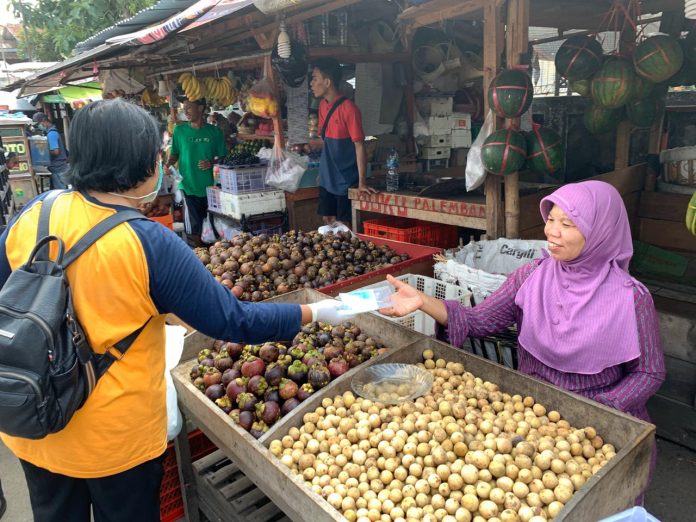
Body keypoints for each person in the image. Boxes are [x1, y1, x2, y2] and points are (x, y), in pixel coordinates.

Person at [0, 99, 349, 522]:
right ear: (142, 164)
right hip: (116, 441)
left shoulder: (36, 213)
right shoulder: (147, 242)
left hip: (35, 420)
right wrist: (312, 314)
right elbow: (232, 320)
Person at [382, 180, 666, 422]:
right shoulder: (531, 275)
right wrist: (423, 300)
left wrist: (603, 408)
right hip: (529, 410)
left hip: (598, 422)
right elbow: (478, 320)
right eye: (551, 219)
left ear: (599, 233)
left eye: (567, 224)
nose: (551, 231)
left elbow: (648, 373)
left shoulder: (631, 298)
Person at [310, 57, 375, 226]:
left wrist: (362, 183)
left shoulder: (349, 109)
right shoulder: (322, 106)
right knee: (327, 220)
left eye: (314, 78)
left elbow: (359, 146)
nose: (311, 83)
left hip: (345, 179)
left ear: (327, 82)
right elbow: (326, 141)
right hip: (326, 178)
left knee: (343, 225)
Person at [167, 98, 227, 247]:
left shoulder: (214, 132)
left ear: (200, 108)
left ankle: (214, 256)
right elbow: (174, 153)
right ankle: (199, 257)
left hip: (212, 189)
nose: (185, 112)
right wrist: (167, 165)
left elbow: (224, 157)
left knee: (214, 227)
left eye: (188, 108)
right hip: (188, 185)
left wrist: (211, 162)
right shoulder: (180, 131)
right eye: (183, 108)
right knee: (194, 227)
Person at [32, 112, 69, 190]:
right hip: (59, 168)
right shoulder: (52, 132)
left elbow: (55, 151)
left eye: (38, 124)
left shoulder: (51, 134)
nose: (39, 126)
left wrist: (44, 152)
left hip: (58, 168)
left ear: (44, 121)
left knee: (61, 192)